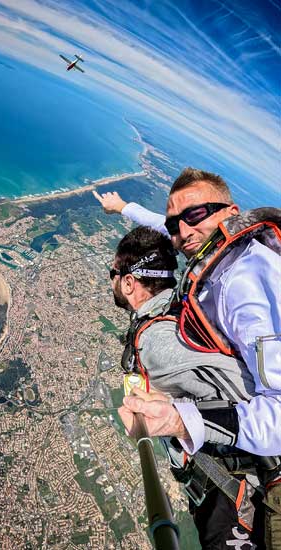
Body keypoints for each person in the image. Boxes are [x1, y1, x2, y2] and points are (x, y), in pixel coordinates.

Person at [95, 168, 281, 547]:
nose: (183, 231)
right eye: (174, 224)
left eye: (194, 215)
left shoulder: (245, 280)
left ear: (232, 211)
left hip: (252, 487)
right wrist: (124, 208)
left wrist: (180, 420)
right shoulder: (216, 258)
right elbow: (172, 232)